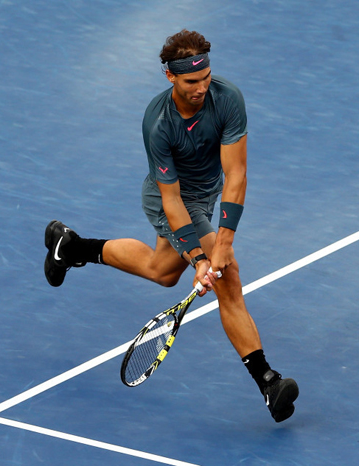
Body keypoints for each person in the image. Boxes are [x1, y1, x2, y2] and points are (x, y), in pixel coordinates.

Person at [43, 29, 298, 422]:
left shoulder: (227, 99)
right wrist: (201, 255)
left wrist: (225, 240)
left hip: (209, 194)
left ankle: (73, 247)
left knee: (161, 272)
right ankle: (268, 381)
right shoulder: (158, 123)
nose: (201, 88)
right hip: (173, 202)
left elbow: (236, 173)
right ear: (170, 77)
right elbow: (172, 199)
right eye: (191, 81)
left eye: (205, 77)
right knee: (228, 279)